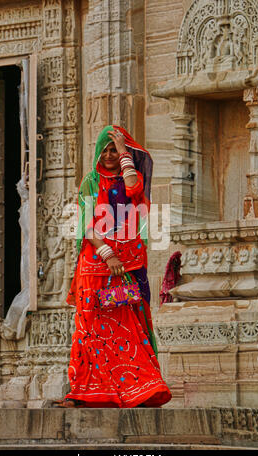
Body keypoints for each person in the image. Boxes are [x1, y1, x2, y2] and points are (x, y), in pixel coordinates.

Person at [54, 125, 172, 408]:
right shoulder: (90, 182)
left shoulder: (130, 179)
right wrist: (108, 254)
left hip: (127, 267)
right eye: (105, 150)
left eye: (113, 151)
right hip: (95, 267)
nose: (109, 155)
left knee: (128, 327)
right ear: (97, 152)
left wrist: (124, 154)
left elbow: (134, 187)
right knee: (89, 330)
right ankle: (82, 393)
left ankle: (139, 390)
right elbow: (86, 225)